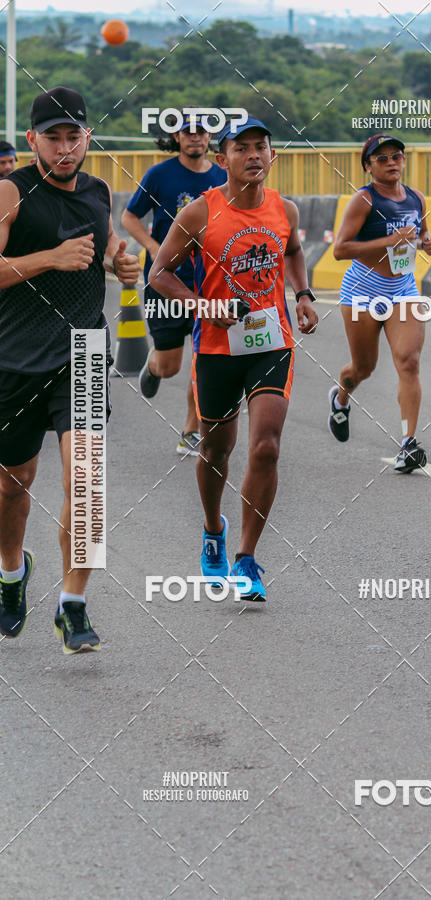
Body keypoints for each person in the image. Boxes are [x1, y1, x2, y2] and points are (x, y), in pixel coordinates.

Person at [149, 116, 318, 602]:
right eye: (241, 148)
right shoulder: (201, 213)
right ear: (222, 160)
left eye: (260, 147)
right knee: (216, 450)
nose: (253, 156)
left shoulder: (285, 208)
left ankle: (246, 558)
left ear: (272, 156)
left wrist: (303, 293)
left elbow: (293, 250)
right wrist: (205, 306)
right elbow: (159, 274)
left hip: (272, 343)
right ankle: (211, 528)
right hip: (216, 348)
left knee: (265, 446)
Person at [0, 86, 139, 652]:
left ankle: (72, 604)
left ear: (87, 138)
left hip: (81, 350)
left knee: (87, 482)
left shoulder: (98, 192)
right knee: (14, 486)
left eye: (73, 136)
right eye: (52, 137)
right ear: (33, 139)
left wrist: (119, 264)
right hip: (14, 358)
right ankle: (11, 572)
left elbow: (103, 250)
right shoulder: (10, 192)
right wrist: (49, 260)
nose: (64, 148)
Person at [327, 133, 431, 472]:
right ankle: (341, 397)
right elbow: (340, 250)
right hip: (363, 289)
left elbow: (418, 236)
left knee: (409, 361)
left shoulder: (416, 198)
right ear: (368, 167)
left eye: (397, 156)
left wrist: (426, 244)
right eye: (382, 158)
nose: (392, 162)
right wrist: (388, 240)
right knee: (363, 368)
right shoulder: (364, 200)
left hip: (402, 288)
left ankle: (408, 442)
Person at [122, 113, 226, 456]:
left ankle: (191, 431)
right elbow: (129, 216)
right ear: (177, 137)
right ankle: (154, 364)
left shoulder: (222, 176)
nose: (195, 138)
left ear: (209, 137)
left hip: (209, 284)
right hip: (164, 280)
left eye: (201, 132)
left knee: (206, 359)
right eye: (188, 132)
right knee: (171, 366)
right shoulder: (160, 175)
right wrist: (152, 248)